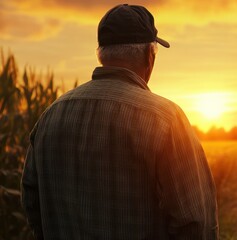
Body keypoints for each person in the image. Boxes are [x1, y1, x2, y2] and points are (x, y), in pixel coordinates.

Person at [21, 4, 218, 240]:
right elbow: (195, 223)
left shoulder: (51, 115)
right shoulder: (166, 119)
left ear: (101, 54)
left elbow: (32, 200)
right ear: (150, 56)